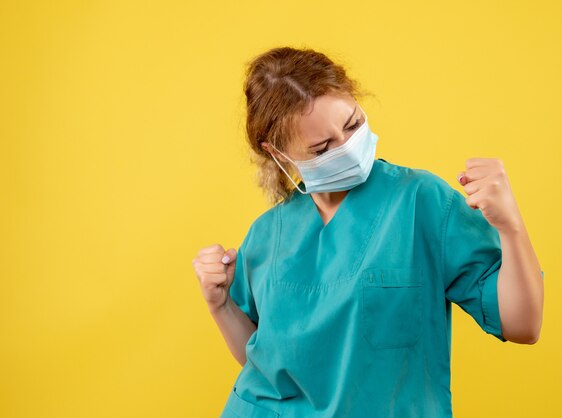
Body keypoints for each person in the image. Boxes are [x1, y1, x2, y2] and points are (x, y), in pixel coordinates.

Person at [191, 47, 544, 418]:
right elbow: (262, 361)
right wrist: (220, 304)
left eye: (352, 125)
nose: (347, 149)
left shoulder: (420, 202)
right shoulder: (268, 235)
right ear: (278, 153)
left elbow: (523, 325)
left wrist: (511, 225)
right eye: (322, 148)